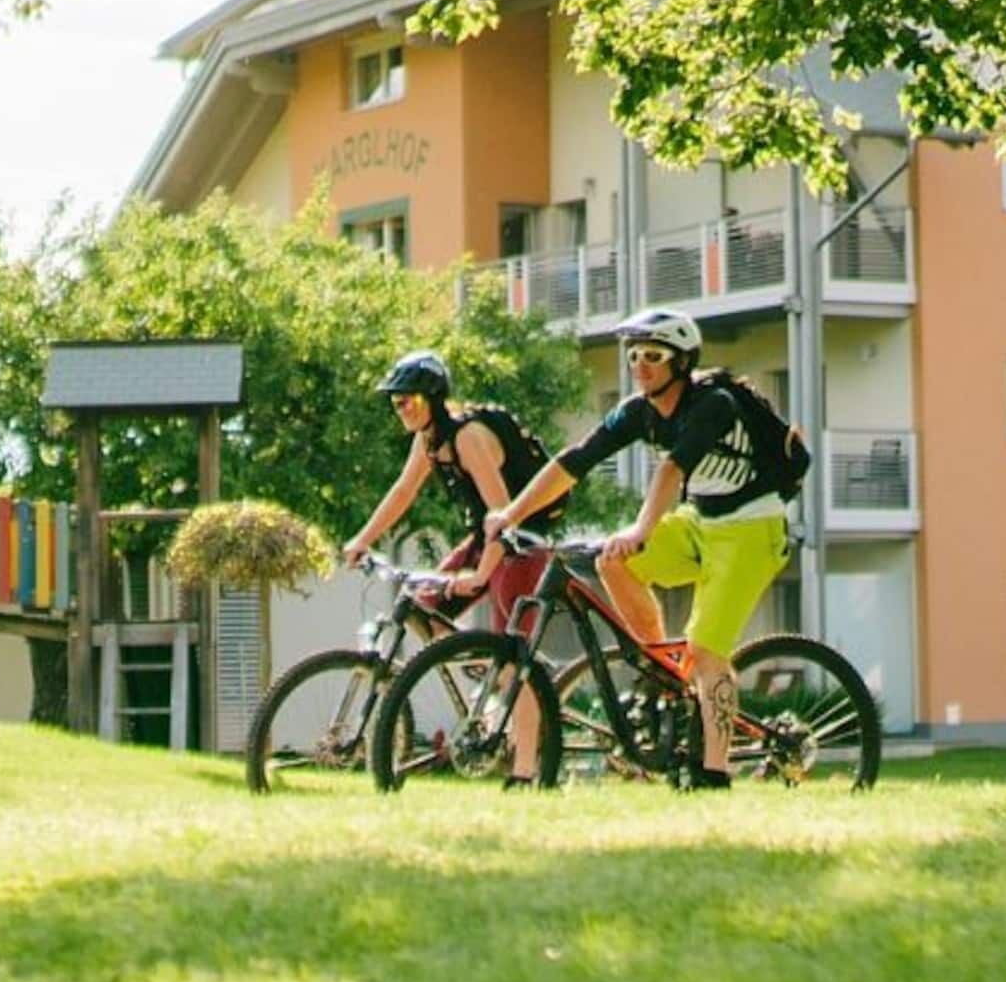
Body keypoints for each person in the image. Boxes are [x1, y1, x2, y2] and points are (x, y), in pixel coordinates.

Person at [486, 308, 793, 788]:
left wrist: (642, 529)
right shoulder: (638, 412)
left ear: (681, 362)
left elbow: (671, 471)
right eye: (633, 355)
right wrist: (511, 514)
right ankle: (664, 670)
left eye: (653, 355)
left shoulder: (714, 405)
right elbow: (574, 461)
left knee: (708, 652)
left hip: (753, 528)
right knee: (614, 562)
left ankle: (714, 773)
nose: (640, 364)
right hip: (703, 520)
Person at [340, 349, 553, 784]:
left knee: (516, 659)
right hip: (484, 538)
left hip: (521, 542)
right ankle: (486, 678)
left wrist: (479, 574)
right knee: (421, 606)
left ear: (434, 399)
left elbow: (502, 512)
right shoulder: (429, 440)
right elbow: (403, 492)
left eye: (410, 401)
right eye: (396, 403)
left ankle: (526, 770)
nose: (402, 410)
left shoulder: (469, 438)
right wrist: (362, 539)